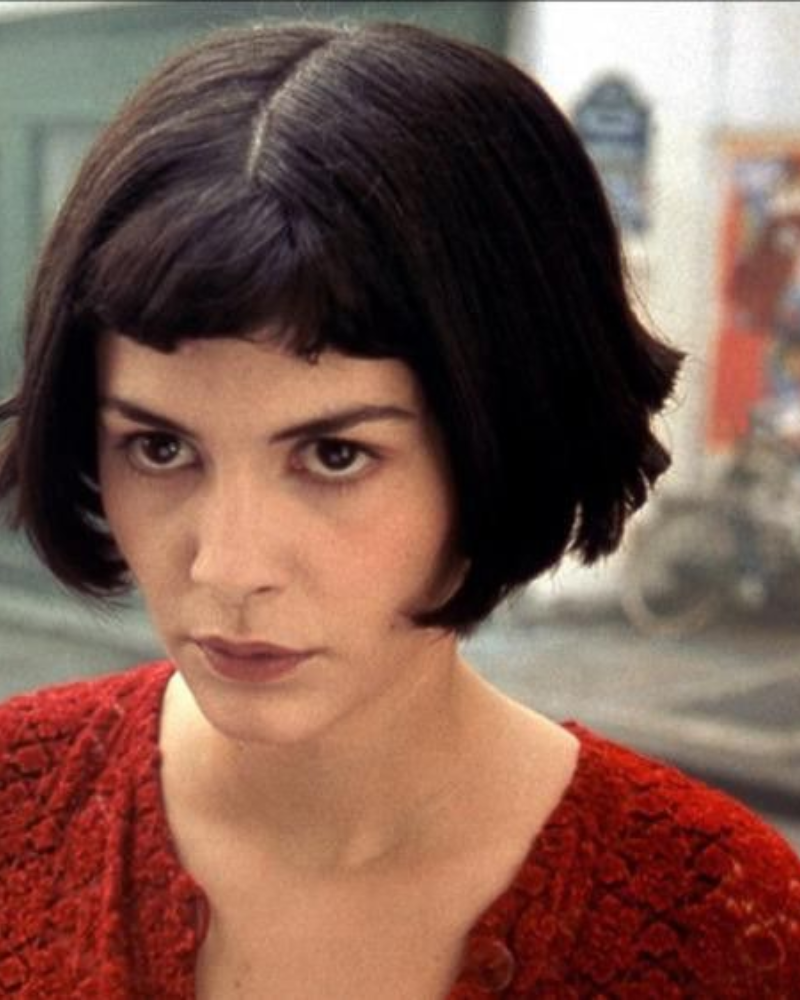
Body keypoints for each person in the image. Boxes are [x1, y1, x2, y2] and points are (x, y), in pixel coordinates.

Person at [0, 18, 798, 999]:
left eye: (334, 455)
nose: (227, 566)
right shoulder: (13, 806)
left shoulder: (720, 926)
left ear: (504, 434)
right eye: (160, 448)